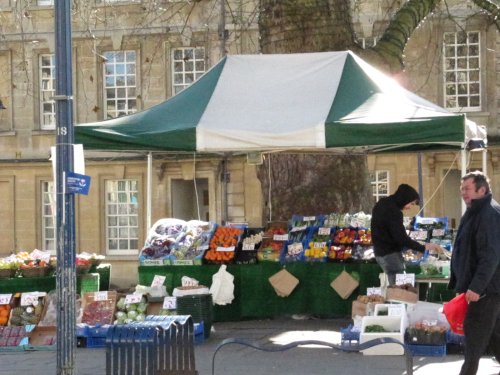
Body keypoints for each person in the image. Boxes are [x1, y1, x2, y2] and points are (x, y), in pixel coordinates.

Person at [449, 171, 500, 375]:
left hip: (487, 289)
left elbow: (490, 256)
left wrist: (476, 287)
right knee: (496, 334)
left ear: (482, 190)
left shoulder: (489, 214)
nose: (463, 193)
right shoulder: (475, 210)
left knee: (474, 334)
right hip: (488, 287)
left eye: (467, 189)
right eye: (462, 189)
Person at [371, 183, 442, 285]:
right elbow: (401, 238)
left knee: (394, 284)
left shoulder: (382, 203)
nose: (410, 207)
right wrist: (422, 247)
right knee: (399, 288)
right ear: (405, 198)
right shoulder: (394, 211)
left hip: (379, 252)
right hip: (390, 254)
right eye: (411, 203)